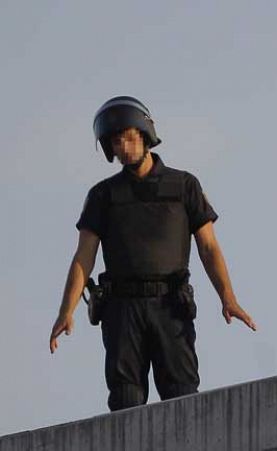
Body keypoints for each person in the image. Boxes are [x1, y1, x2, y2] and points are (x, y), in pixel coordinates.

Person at [49, 96, 256, 411]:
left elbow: (209, 246)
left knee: (183, 397)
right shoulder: (103, 195)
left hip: (170, 304)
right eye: (115, 142)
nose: (123, 147)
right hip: (122, 309)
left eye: (127, 136)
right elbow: (83, 258)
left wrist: (227, 297)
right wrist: (66, 311)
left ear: (144, 133)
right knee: (125, 401)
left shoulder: (183, 185)